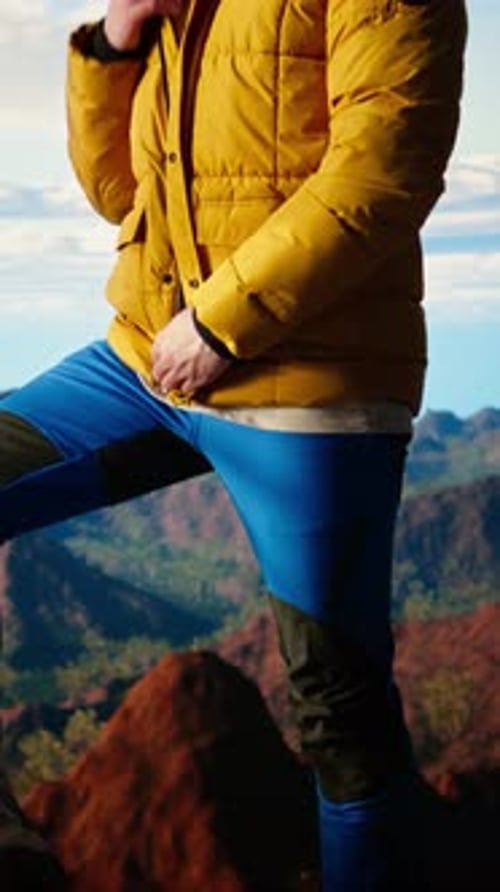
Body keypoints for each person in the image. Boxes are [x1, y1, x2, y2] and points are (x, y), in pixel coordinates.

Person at [0, 0, 467, 889]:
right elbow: (116, 194)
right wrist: (115, 41)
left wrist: (220, 326)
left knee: (341, 711)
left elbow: (385, 171)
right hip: (147, 357)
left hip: (309, 383)